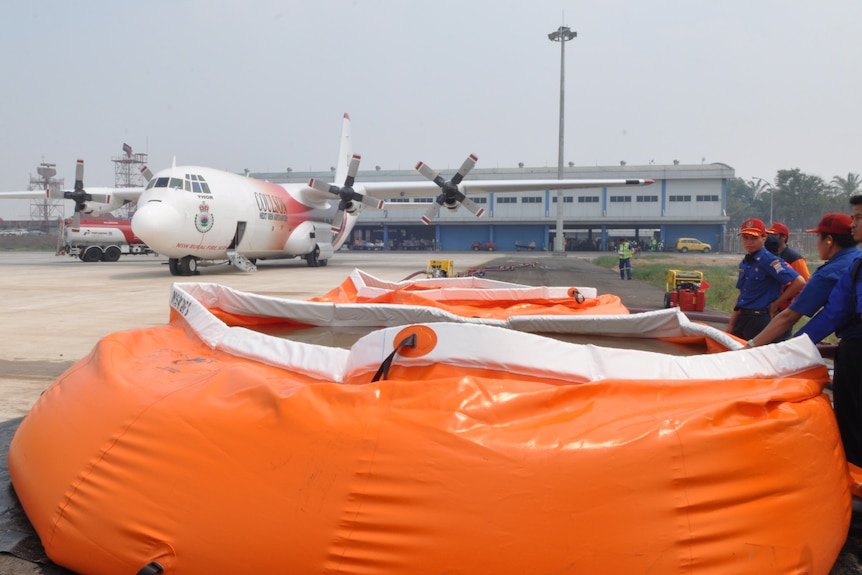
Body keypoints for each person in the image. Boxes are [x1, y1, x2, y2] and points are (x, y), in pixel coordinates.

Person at [793, 196, 862, 466]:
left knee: (853, 419)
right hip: (854, 347)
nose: (852, 224)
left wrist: (789, 349)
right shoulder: (855, 266)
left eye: (857, 218)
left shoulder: (847, 267)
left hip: (857, 354)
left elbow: (826, 315)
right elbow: (834, 313)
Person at [748, 213, 859, 347]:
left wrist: (751, 346)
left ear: (829, 240)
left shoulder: (829, 273)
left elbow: (789, 317)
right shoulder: (858, 259)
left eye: (818, 237)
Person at [727, 218, 804, 341]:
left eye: (753, 238)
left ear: (763, 238)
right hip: (742, 318)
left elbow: (799, 282)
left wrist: (776, 304)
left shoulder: (770, 260)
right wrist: (732, 323)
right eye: (745, 238)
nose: (749, 242)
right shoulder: (745, 262)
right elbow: (742, 294)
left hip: (759, 319)